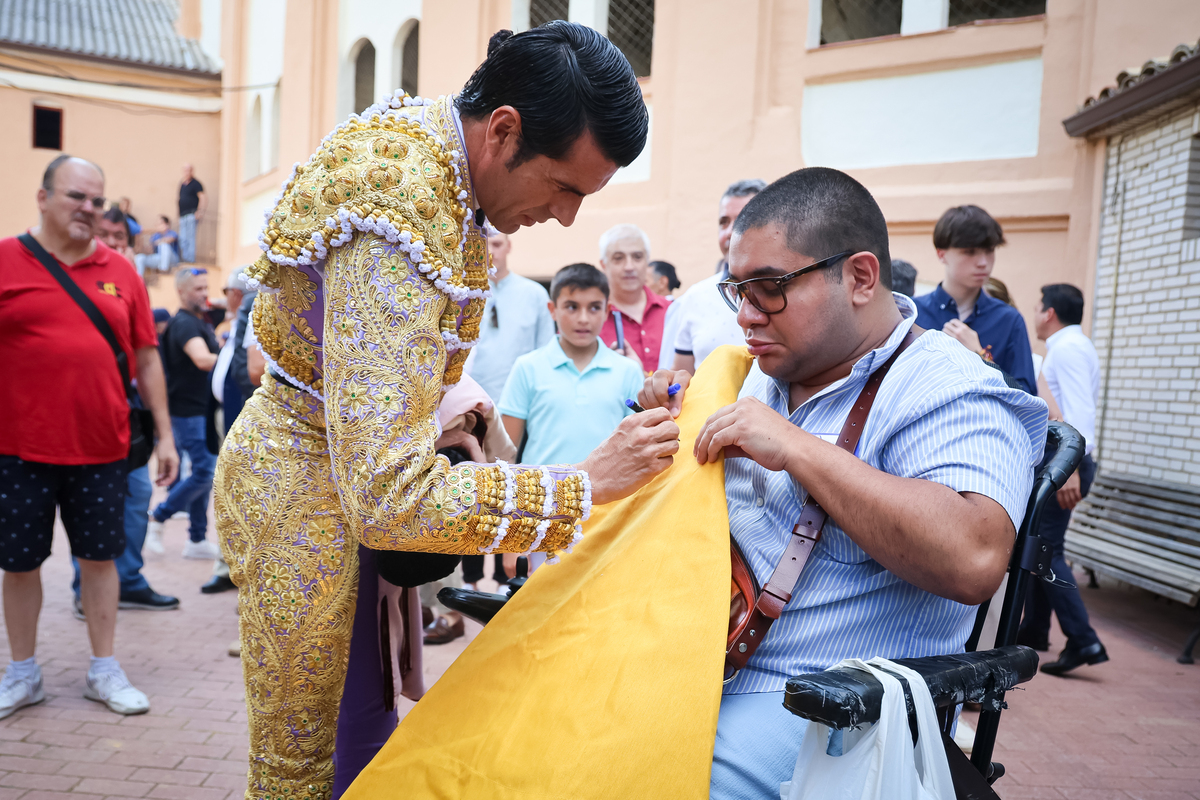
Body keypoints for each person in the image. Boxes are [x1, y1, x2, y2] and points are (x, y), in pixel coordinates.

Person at [213, 22, 679, 799]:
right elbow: (389, 494)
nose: (566, 219)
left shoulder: (436, 169)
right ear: (504, 130)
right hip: (305, 502)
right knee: (309, 766)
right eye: (565, 187)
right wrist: (583, 484)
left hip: (330, 490)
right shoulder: (401, 204)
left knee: (358, 736)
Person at [643, 168, 1048, 797]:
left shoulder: (945, 385)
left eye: (770, 287)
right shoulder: (768, 374)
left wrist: (800, 451)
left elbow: (974, 557)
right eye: (737, 290)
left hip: (827, 715)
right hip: (699, 675)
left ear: (860, 277)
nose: (747, 314)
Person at [0, 154, 179, 719]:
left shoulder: (122, 271)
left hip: (104, 446)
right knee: (19, 563)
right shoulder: (6, 261)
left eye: (97, 200)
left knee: (101, 561)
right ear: (43, 196)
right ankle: (23, 673)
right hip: (18, 446)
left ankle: (104, 668)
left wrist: (168, 438)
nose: (89, 209)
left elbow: (147, 358)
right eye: (76, 197)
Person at [68, 208, 180, 615]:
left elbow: (147, 355)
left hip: (129, 416)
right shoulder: (79, 277)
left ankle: (129, 580)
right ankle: (85, 588)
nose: (116, 243)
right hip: (86, 419)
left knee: (136, 496)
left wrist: (163, 433)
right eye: (108, 234)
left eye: (123, 237)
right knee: (86, 505)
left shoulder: (129, 280)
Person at [499, 262, 644, 573]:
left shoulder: (628, 372)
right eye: (571, 306)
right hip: (541, 516)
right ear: (552, 309)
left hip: (608, 517)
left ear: (607, 311)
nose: (583, 318)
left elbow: (636, 453)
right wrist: (511, 533)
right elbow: (505, 454)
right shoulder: (527, 368)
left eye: (594, 308)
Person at [1019, 283, 1108, 675]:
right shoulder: (1074, 345)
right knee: (1040, 546)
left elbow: (1079, 415)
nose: (1036, 315)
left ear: (1049, 312)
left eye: (1038, 308)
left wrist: (1067, 469)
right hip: (1066, 462)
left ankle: (1084, 639)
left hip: (1065, 462)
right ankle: (1035, 630)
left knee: (1048, 552)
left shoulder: (1067, 349)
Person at [913, 205, 1038, 394]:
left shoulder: (1009, 320)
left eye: (989, 251)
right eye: (970, 252)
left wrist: (980, 355)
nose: (983, 262)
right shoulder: (912, 313)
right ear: (942, 254)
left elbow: (1026, 397)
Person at [146, 268, 221, 560]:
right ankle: (159, 516)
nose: (204, 294)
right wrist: (232, 359)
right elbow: (203, 360)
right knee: (205, 471)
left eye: (206, 288)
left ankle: (197, 538)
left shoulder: (197, 320)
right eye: (197, 289)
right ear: (181, 291)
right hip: (187, 412)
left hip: (200, 411)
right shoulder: (186, 325)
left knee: (203, 471)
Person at [662, 179, 765, 373]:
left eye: (743, 220)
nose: (730, 232)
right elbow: (680, 380)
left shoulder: (791, 292)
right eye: (723, 222)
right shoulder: (694, 298)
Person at [466, 231, 556, 403]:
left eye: (497, 244)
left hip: (524, 398)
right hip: (473, 398)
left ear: (509, 246)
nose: (491, 251)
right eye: (485, 245)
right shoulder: (464, 294)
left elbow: (546, 349)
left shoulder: (535, 294)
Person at [598, 223, 667, 373]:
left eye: (637, 257)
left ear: (647, 261)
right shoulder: (590, 318)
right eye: (618, 258)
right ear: (604, 265)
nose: (629, 266)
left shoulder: (673, 311)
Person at [177, 165, 206, 264]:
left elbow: (202, 197)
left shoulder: (196, 183)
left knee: (190, 238)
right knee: (183, 239)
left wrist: (200, 211)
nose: (187, 172)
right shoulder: (182, 184)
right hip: (182, 216)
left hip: (191, 215)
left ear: (192, 171)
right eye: (185, 170)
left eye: (189, 170)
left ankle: (190, 260)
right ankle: (185, 259)